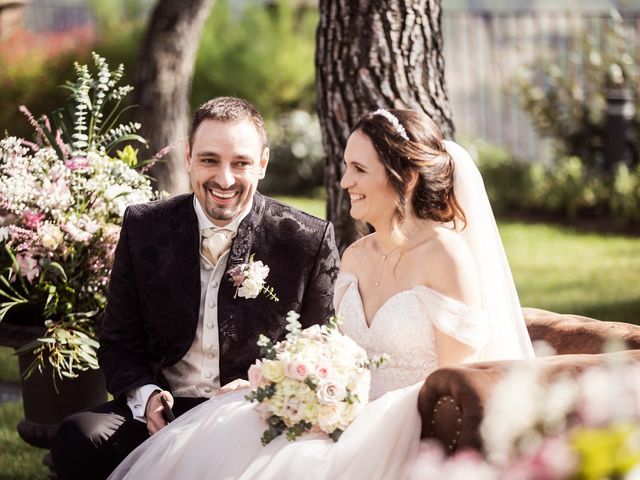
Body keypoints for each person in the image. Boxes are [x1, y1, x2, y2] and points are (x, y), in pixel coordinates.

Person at [108, 108, 534, 479]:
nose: (345, 180)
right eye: (346, 166)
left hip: (400, 427)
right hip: (336, 417)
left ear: (404, 177)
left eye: (359, 169)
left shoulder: (446, 255)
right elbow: (334, 351)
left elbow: (454, 383)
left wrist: (359, 414)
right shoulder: (354, 256)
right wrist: (281, 384)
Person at [50, 96, 341, 480]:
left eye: (241, 163)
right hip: (164, 415)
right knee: (78, 437)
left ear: (263, 164)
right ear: (188, 157)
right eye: (209, 160)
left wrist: (264, 386)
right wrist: (146, 396)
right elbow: (119, 342)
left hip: (252, 416)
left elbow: (325, 353)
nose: (224, 179)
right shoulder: (144, 226)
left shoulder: (307, 239)